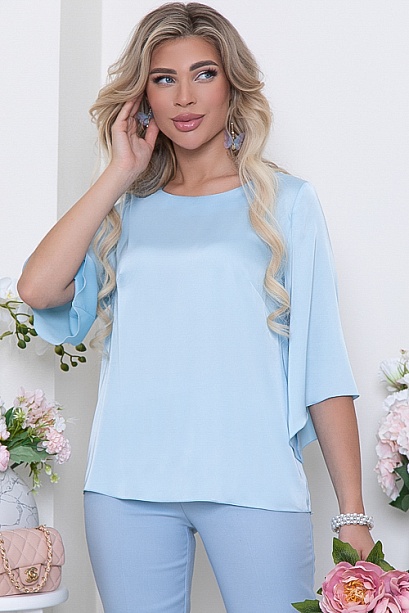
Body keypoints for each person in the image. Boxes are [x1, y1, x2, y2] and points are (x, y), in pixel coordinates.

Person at [18, 3, 375, 611]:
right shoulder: (124, 210)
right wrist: (119, 173)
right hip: (126, 487)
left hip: (254, 481)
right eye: (164, 79)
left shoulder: (287, 203)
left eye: (203, 74)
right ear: (143, 99)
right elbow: (38, 290)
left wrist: (353, 512)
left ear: (232, 85)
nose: (184, 96)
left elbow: (322, 364)